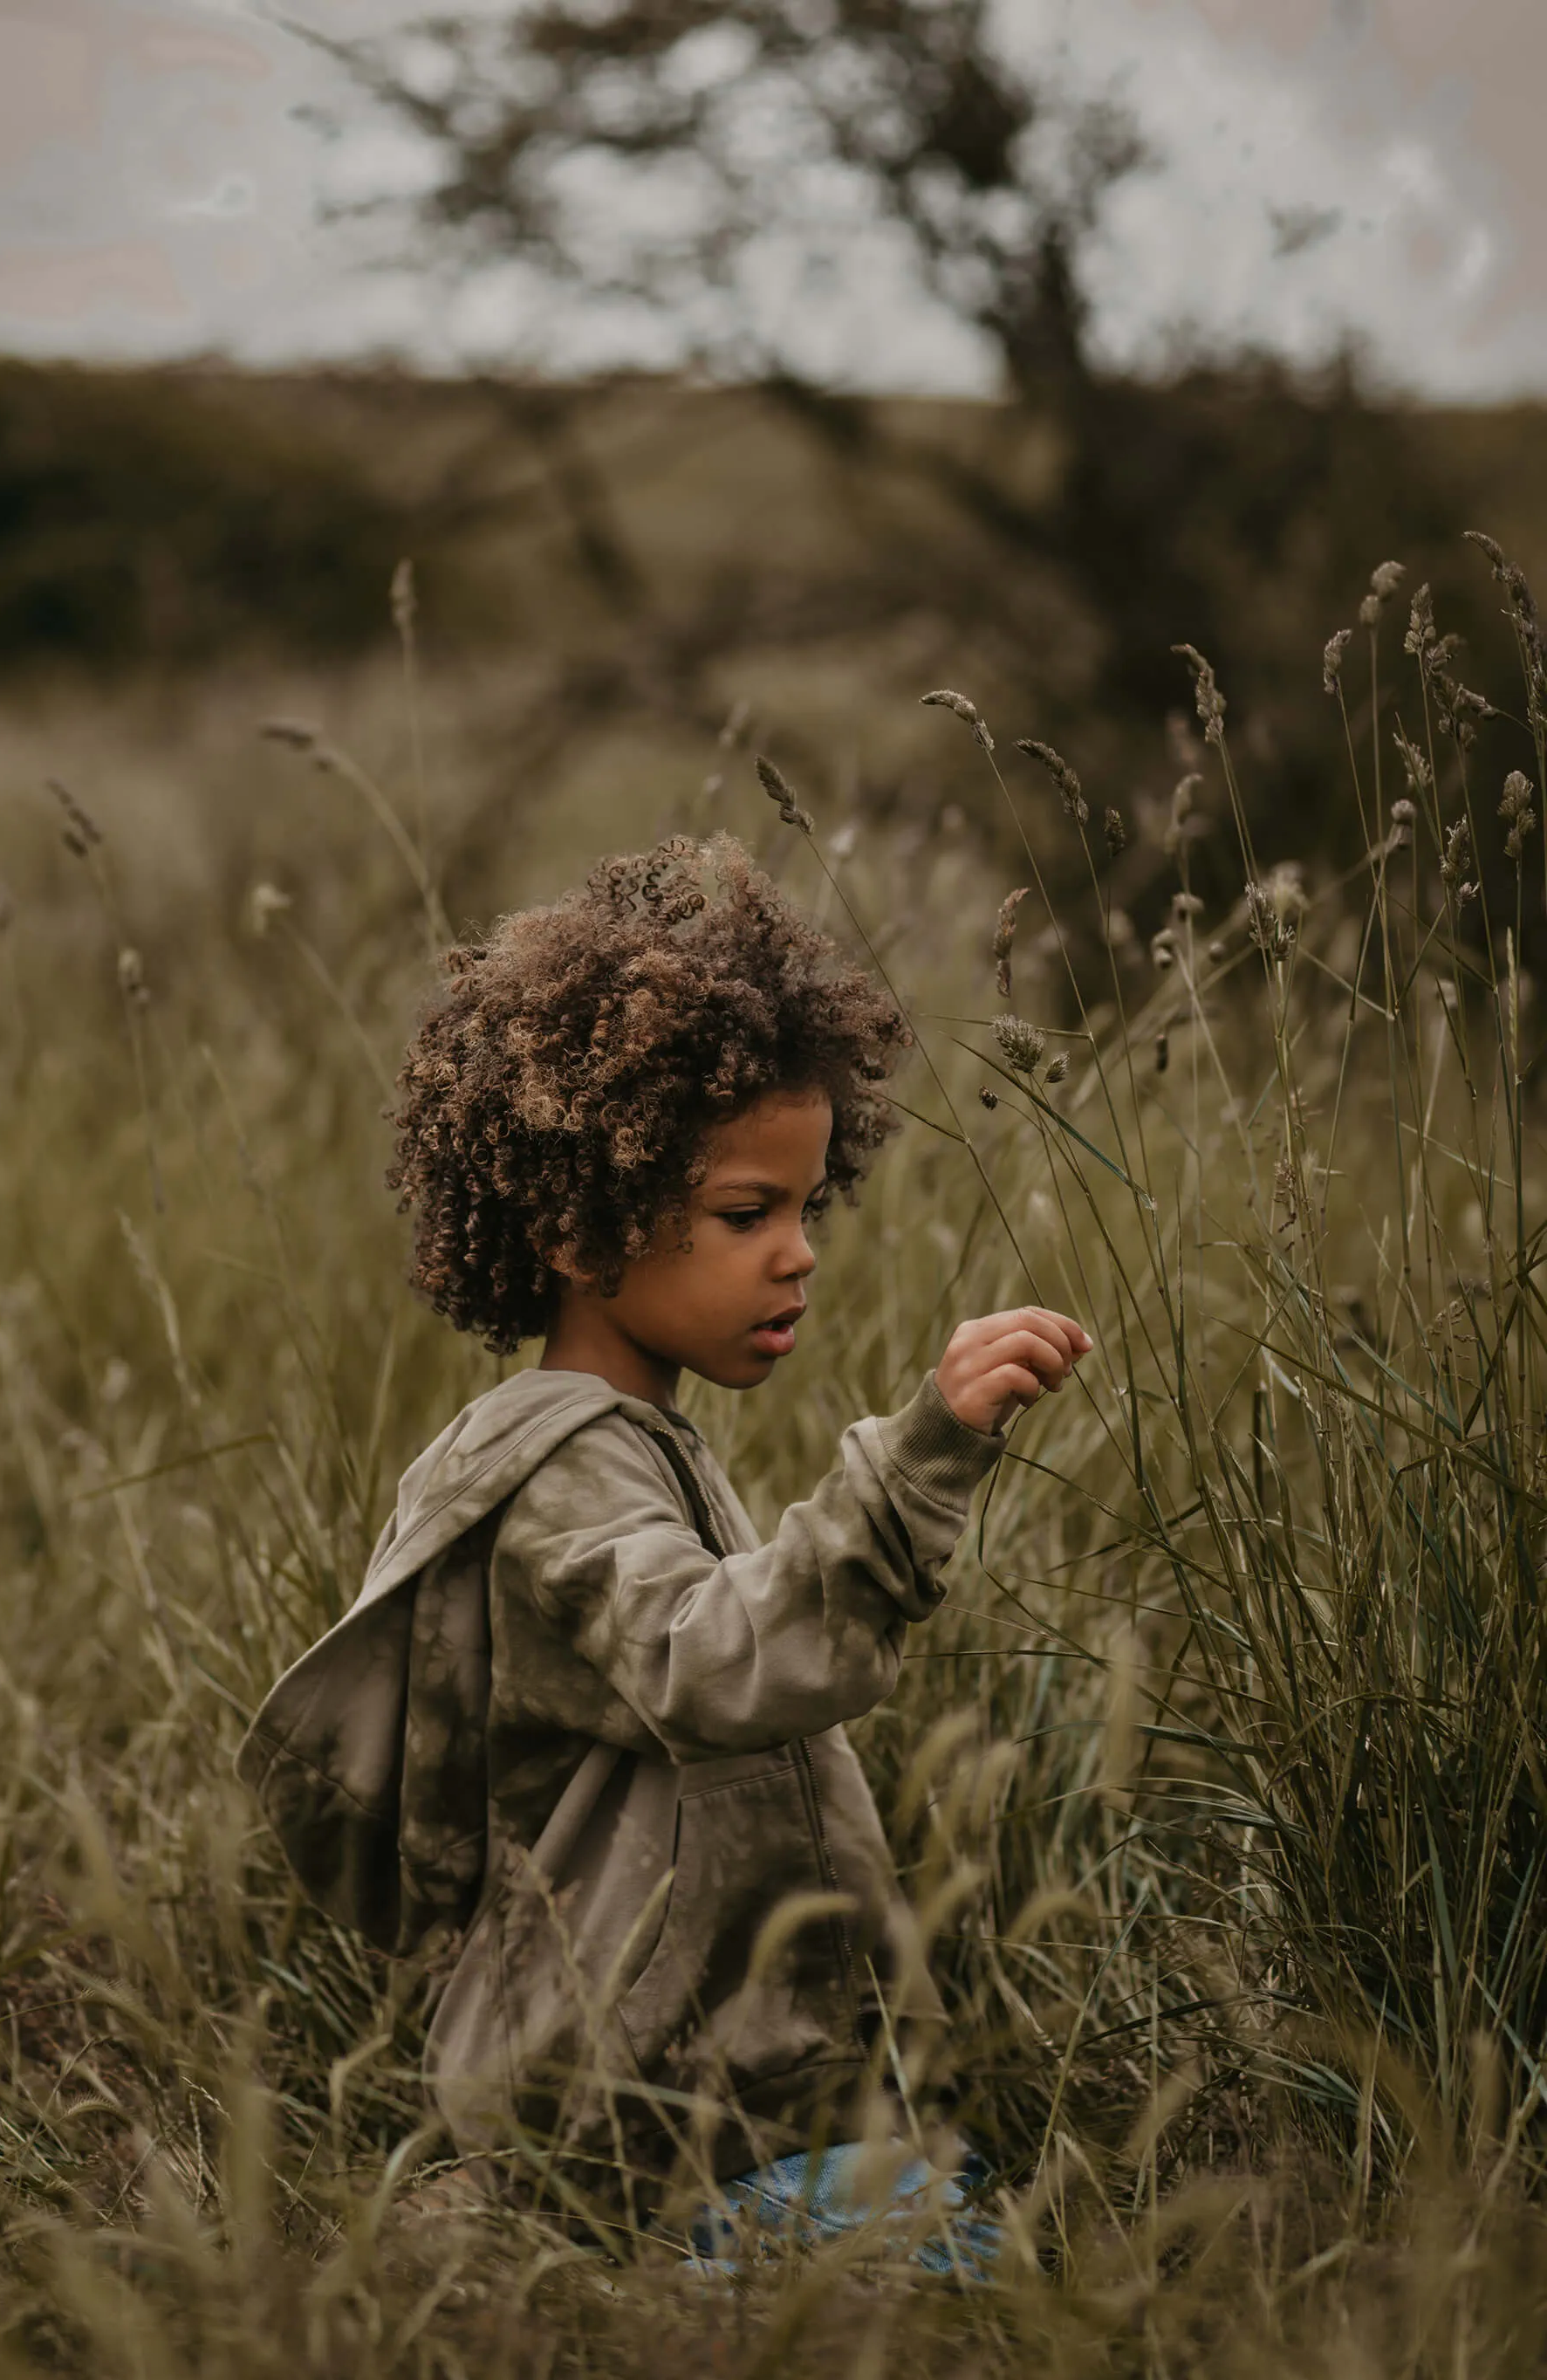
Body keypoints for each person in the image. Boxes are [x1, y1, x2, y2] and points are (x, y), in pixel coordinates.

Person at [236, 833, 1090, 2269]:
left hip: (717, 2089)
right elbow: (717, 1657)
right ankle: (590, 2248)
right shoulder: (560, 1467)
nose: (798, 1252)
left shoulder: (634, 1444)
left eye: (807, 1207)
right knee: (979, 2272)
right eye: (745, 1214)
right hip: (639, 2107)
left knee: (964, 2219)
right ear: (580, 1228)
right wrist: (919, 1456)